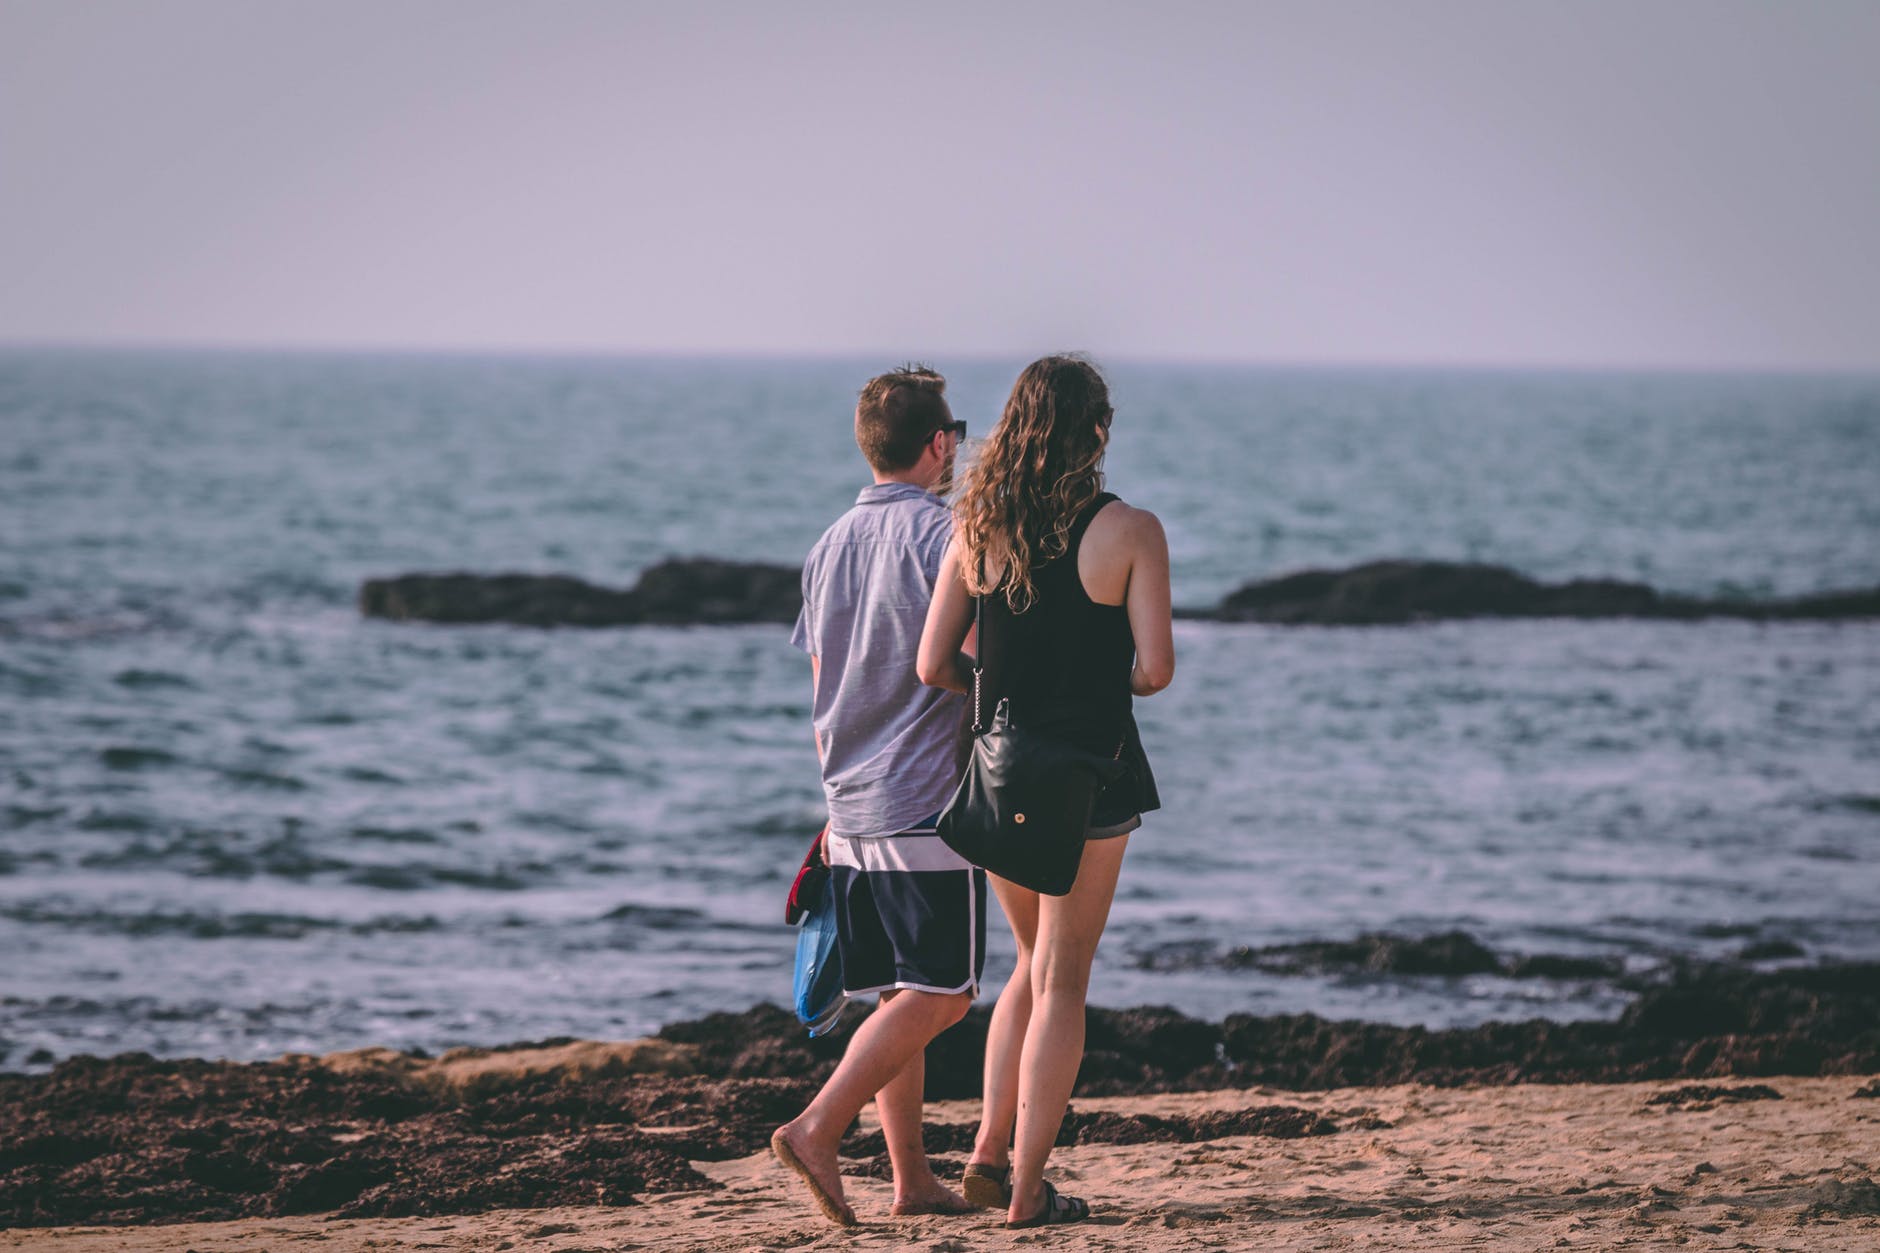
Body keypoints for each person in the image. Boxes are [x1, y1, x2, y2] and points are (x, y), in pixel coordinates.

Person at [916, 354, 1174, 1228]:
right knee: (1064, 978)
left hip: (996, 769)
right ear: (1096, 433)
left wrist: (997, 699)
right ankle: (1029, 1193)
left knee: (1024, 965)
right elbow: (1155, 670)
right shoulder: (1130, 529)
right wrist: (1108, 682)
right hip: (1091, 774)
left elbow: (931, 663)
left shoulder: (973, 526)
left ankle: (989, 1150)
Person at [771, 365, 985, 1227]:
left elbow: (825, 689)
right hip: (924, 797)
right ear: (939, 444)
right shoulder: (948, 537)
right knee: (947, 992)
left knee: (901, 991)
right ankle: (818, 1125)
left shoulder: (826, 545)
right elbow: (973, 663)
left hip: (849, 800)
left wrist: (831, 803)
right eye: (955, 436)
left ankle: (911, 1180)